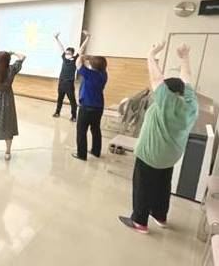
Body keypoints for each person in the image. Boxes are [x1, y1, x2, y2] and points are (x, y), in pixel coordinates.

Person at [119, 42, 198, 234]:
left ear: (168, 93)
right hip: (170, 156)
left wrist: (151, 54)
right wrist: (185, 58)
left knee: (143, 186)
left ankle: (139, 221)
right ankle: (160, 215)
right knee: (163, 185)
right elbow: (187, 79)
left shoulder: (167, 102)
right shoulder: (190, 104)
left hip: (151, 155)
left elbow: (156, 78)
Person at [0, 51, 26, 161]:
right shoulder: (12, 69)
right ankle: (7, 153)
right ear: (8, 60)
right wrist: (13, 53)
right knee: (8, 127)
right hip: (8, 101)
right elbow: (23, 57)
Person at [73, 53, 108, 161]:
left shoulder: (89, 74)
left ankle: (81, 154)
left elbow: (78, 62)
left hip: (87, 107)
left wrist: (84, 56)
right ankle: (96, 151)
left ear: (92, 65)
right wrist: (90, 59)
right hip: (99, 107)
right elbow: (85, 65)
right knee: (95, 129)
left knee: (81, 130)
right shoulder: (104, 74)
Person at [53, 30, 91, 121]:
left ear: (72, 54)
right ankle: (57, 112)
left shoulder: (75, 59)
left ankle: (74, 116)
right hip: (61, 82)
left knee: (72, 101)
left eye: (68, 53)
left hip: (69, 83)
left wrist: (88, 37)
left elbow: (82, 48)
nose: (66, 54)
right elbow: (61, 47)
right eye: (66, 53)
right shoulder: (64, 58)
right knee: (60, 98)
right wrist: (56, 38)